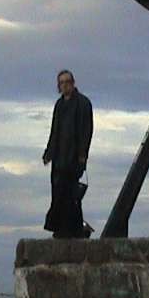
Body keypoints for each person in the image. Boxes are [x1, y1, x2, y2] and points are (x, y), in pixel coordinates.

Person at [42, 69, 94, 238]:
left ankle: (75, 230)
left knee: (72, 195)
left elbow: (86, 131)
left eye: (67, 82)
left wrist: (82, 155)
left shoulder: (83, 103)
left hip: (74, 158)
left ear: (73, 83)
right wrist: (49, 153)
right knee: (58, 194)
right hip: (59, 159)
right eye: (62, 83)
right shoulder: (59, 105)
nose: (65, 85)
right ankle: (60, 229)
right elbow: (54, 131)